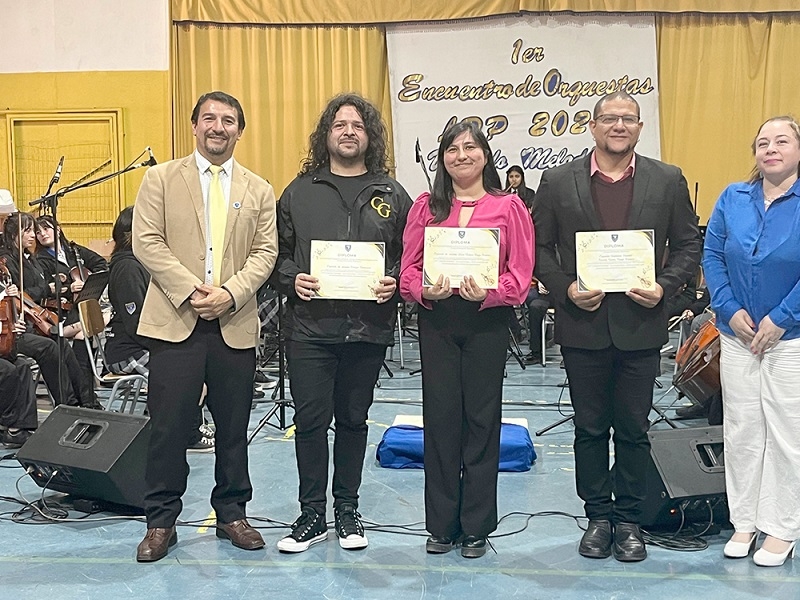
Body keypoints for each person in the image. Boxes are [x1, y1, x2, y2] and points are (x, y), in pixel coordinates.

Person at [533, 91, 701, 562]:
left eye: (628, 118)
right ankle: (597, 517)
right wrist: (564, 288)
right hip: (582, 326)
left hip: (640, 325)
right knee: (588, 429)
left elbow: (688, 245)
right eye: (610, 118)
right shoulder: (557, 180)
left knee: (632, 428)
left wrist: (664, 288)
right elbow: (540, 247)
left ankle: (628, 519)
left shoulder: (667, 179)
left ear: (640, 127)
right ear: (593, 125)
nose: (619, 125)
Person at [131, 91, 277, 562]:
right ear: (194, 125)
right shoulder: (160, 179)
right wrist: (193, 290)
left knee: (234, 427)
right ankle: (160, 522)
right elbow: (146, 241)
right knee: (169, 427)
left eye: (229, 120)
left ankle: (232, 513)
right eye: (209, 118)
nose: (218, 127)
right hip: (176, 319)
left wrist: (230, 294)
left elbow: (266, 253)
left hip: (233, 321)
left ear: (240, 129)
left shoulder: (259, 189)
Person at [275, 93, 412, 553]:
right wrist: (294, 279)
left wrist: (394, 280)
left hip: (366, 330)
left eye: (357, 124)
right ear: (326, 135)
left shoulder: (391, 193)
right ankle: (311, 513)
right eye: (339, 125)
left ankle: (348, 511)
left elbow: (407, 258)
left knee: (354, 421)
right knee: (311, 423)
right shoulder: (299, 190)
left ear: (369, 135)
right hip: (310, 330)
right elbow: (276, 258)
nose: (349, 131)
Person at [400, 120, 533, 558]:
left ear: (485, 155)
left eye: (471, 147)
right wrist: (424, 290)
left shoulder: (509, 206)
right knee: (440, 422)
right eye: (452, 148)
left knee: (481, 421)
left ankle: (476, 526)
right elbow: (408, 271)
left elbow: (521, 273)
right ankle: (441, 525)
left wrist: (493, 292)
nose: (462, 155)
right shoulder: (426, 207)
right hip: (438, 320)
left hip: (486, 322)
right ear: (442, 158)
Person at [703, 115, 800, 567]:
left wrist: (781, 318)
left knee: (787, 433)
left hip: (790, 338)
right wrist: (729, 309)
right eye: (763, 142)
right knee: (741, 429)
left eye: (782, 141)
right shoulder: (732, 198)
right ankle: (744, 520)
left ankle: (781, 526)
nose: (771, 149)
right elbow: (713, 254)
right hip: (737, 335)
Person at [105, 206, 214, 452]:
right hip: (126, 351)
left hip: (141, 343)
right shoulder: (127, 268)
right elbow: (136, 324)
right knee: (184, 372)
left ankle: (188, 426)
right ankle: (188, 434)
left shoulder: (142, 263)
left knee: (192, 361)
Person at [0, 211, 99, 409]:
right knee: (50, 347)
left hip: (34, 316)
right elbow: (23, 293)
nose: (33, 235)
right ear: (14, 234)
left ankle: (87, 401)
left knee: (61, 343)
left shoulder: (29, 258)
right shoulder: (8, 261)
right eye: (28, 231)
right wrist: (47, 289)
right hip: (18, 327)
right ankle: (66, 403)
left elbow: (39, 288)